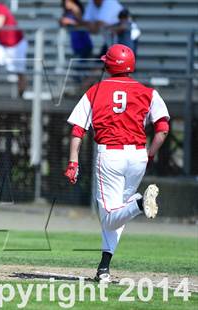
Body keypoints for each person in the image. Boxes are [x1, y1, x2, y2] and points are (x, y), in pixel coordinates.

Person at [64, 44, 170, 283]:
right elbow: (162, 130)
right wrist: (150, 154)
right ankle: (104, 267)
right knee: (119, 211)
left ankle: (140, 203)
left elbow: (78, 130)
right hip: (137, 155)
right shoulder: (148, 92)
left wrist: (73, 162)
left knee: (109, 216)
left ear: (108, 65)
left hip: (110, 156)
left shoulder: (95, 90)